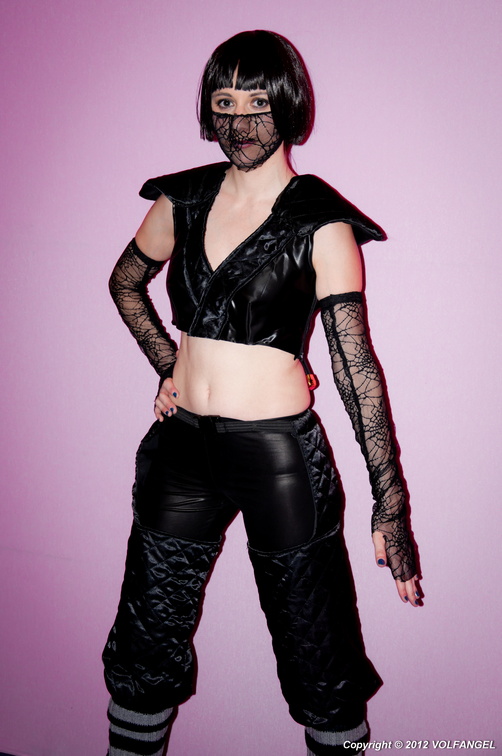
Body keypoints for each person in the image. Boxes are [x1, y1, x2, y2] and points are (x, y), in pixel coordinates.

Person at [102, 29, 420, 756]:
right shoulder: (181, 199)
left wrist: (391, 504)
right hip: (181, 453)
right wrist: (168, 366)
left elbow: (355, 368)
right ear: (207, 110)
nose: (239, 120)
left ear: (288, 104)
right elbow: (124, 284)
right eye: (224, 102)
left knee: (319, 654)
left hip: (280, 458)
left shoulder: (321, 221)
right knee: (145, 647)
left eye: (257, 102)